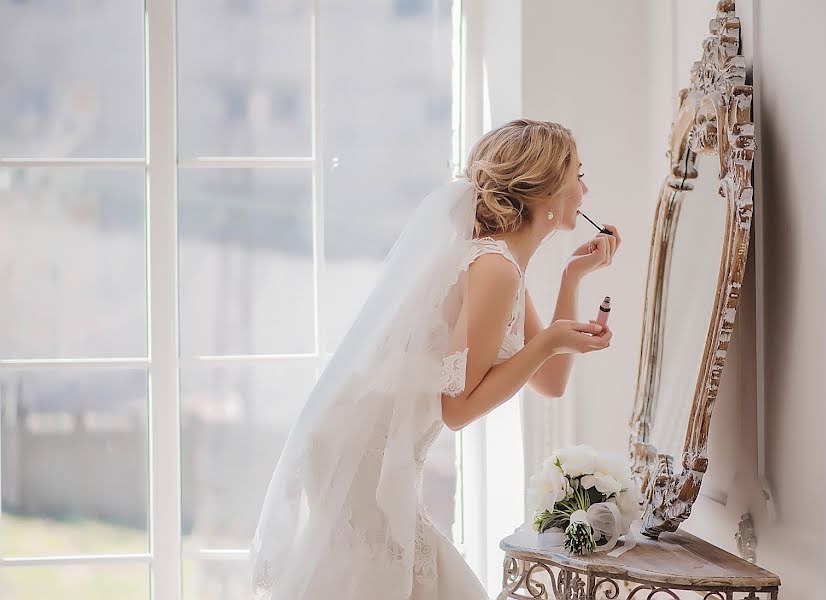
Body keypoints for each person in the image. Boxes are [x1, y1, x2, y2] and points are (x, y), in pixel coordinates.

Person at [249, 119, 621, 599]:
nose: (585, 188)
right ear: (545, 190)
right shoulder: (495, 268)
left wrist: (573, 278)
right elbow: (458, 407)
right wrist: (548, 341)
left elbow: (549, 381)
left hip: (376, 445)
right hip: (361, 449)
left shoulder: (506, 264)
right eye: (578, 174)